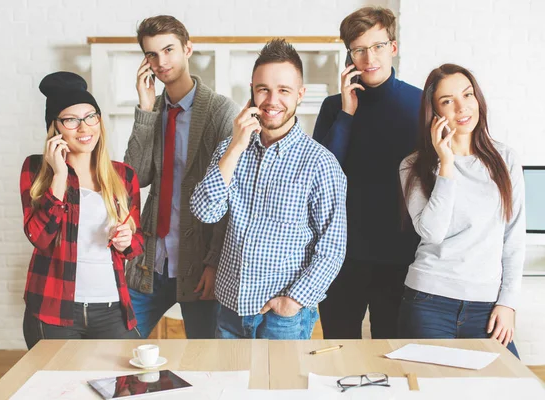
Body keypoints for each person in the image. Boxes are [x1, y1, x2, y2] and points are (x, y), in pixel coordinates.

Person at [190, 39, 347, 339]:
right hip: (229, 309)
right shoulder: (229, 149)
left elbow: (332, 248)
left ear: (300, 95)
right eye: (263, 89)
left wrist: (293, 301)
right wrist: (236, 145)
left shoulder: (321, 164)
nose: (272, 100)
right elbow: (205, 211)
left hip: (283, 319)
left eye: (284, 90)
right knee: (228, 386)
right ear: (252, 91)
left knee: (281, 387)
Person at [124, 15, 239, 338]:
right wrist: (145, 112)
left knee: (205, 358)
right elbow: (134, 179)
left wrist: (214, 263)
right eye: (151, 54)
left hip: (199, 262)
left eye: (169, 50)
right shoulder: (154, 110)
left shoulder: (220, 111)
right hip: (152, 260)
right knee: (119, 343)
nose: (161, 62)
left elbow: (230, 197)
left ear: (188, 49)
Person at [398, 64, 525, 358]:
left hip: (487, 306)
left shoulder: (505, 160)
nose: (461, 107)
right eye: (447, 101)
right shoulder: (413, 166)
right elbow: (433, 232)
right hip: (429, 302)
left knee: (512, 386)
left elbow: (514, 239)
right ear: (435, 112)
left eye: (467, 95)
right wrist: (446, 163)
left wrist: (508, 303)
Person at [313, 6, 421, 339]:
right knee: (339, 351)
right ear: (349, 55)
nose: (369, 57)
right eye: (359, 49)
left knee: (392, 354)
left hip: (400, 256)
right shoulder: (334, 107)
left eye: (377, 46)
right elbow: (321, 175)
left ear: (393, 47)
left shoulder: (420, 104)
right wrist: (346, 114)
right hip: (342, 257)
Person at [20, 71, 144, 349]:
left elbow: (136, 242)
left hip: (112, 307)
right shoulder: (36, 169)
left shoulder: (123, 175)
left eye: (90, 116)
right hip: (54, 311)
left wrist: (127, 241)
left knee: (130, 383)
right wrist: (59, 175)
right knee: (59, 390)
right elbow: (39, 238)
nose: (84, 128)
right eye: (71, 120)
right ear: (56, 128)